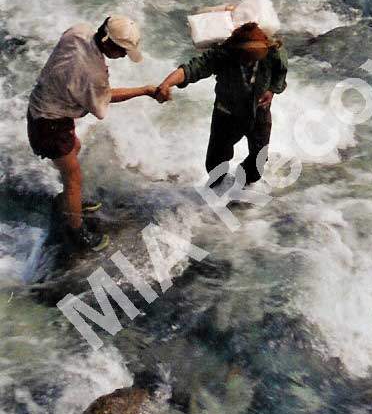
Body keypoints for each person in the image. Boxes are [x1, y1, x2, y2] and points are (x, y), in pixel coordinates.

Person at [27, 16, 158, 252]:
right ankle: (76, 231)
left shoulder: (78, 31)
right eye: (122, 51)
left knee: (74, 150)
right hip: (50, 124)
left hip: (40, 105)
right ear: (108, 43)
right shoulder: (93, 75)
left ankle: (70, 200)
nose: (123, 56)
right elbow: (102, 105)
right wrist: (146, 90)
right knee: (74, 177)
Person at [155, 22, 287, 186]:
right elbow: (192, 69)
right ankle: (217, 190)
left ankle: (243, 185)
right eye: (247, 57)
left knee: (258, 161)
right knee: (216, 163)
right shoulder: (223, 55)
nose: (250, 61)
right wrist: (166, 84)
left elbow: (280, 72)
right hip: (227, 114)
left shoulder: (272, 54)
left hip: (258, 111)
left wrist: (272, 90)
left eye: (255, 57)